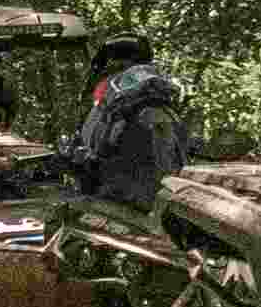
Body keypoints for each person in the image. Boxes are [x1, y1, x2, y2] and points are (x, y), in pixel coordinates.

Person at [57, 31, 189, 206]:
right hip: (161, 204)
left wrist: (80, 162)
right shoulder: (163, 105)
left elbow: (101, 163)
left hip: (123, 203)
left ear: (114, 65)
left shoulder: (118, 105)